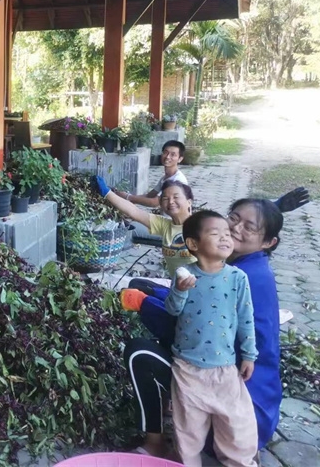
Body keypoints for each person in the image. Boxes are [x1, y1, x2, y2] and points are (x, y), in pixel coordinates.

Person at [123, 198, 286, 460]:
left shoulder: (242, 277)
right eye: (234, 218)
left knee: (139, 353)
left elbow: (189, 325)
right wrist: (157, 295)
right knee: (143, 285)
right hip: (220, 371)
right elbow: (196, 301)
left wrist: (144, 305)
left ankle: (156, 443)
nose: (234, 229)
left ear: (268, 242)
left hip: (226, 393)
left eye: (249, 227)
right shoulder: (244, 265)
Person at [164, 210, 258, 467]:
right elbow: (172, 310)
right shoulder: (184, 275)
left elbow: (246, 318)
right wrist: (180, 290)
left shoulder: (238, 278)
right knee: (188, 432)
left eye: (227, 233)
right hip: (187, 368)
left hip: (225, 368)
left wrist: (249, 355)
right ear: (193, 244)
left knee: (237, 428)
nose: (226, 238)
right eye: (216, 234)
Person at [95, 176, 196, 277]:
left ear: (189, 202)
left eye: (176, 197)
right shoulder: (164, 225)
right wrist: (107, 193)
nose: (170, 202)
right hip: (176, 285)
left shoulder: (199, 226)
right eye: (165, 198)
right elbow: (134, 211)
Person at [117, 141, 188, 208]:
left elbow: (155, 202)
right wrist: (126, 198)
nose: (167, 157)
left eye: (173, 155)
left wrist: (128, 197)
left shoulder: (176, 180)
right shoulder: (165, 177)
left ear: (180, 159)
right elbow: (150, 195)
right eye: (165, 152)